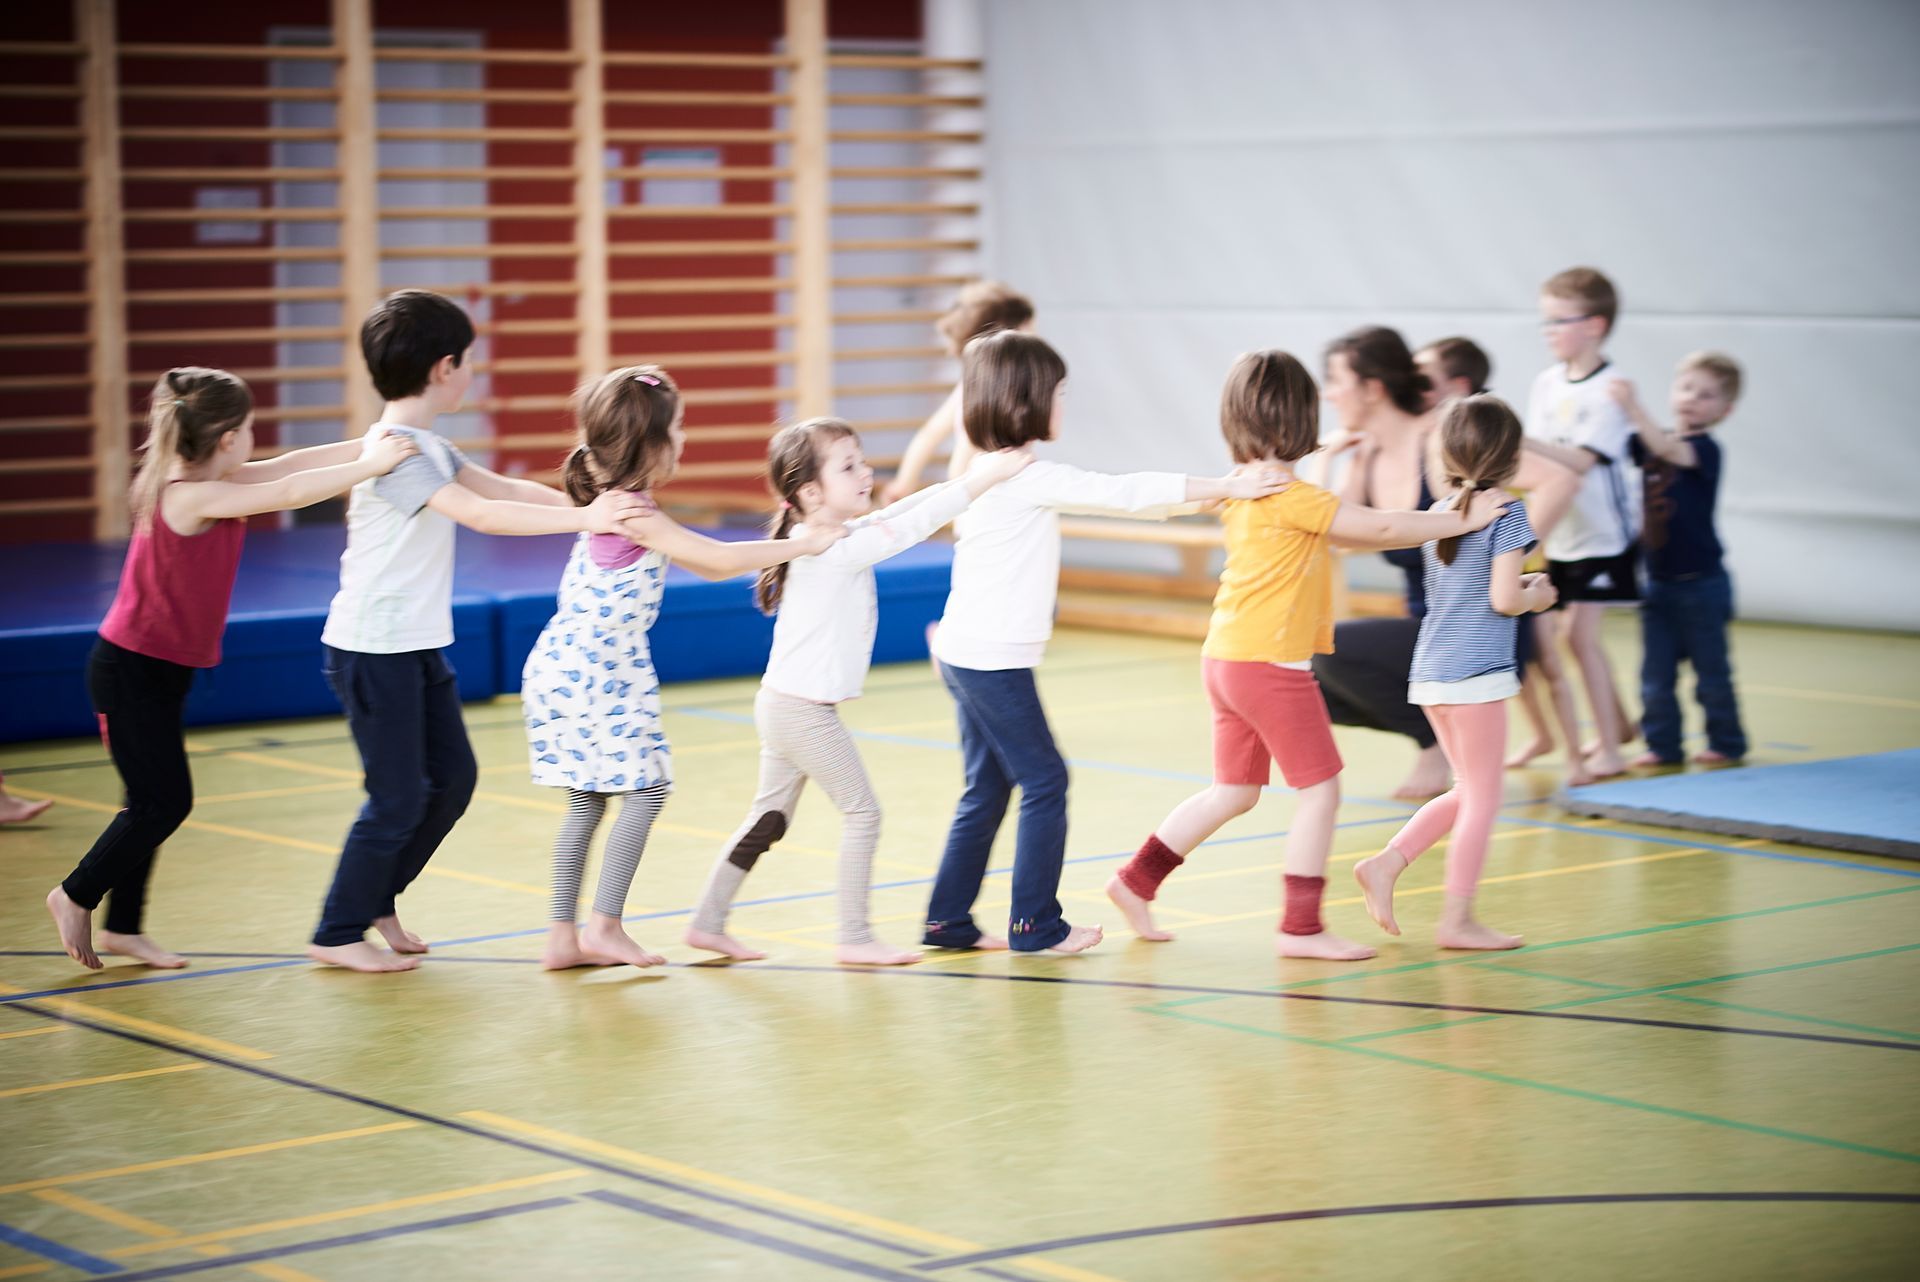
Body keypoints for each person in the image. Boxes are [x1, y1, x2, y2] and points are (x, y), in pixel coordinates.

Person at [1104, 349, 1505, 957]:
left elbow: (1347, 525)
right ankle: (1301, 927)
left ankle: (1135, 881)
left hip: (1227, 658)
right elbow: (1383, 529)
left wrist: (1339, 455)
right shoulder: (1296, 500)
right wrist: (1461, 520)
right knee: (1321, 793)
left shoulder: (1244, 491)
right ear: (1298, 422)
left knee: (1233, 791)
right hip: (1270, 666)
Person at [308, 291, 645, 974]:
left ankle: (378, 899)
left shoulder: (429, 445)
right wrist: (587, 522)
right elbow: (478, 515)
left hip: (415, 646)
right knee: (397, 796)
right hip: (372, 649)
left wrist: (603, 508)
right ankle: (337, 930)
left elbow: (506, 492)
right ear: (443, 368)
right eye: (469, 362)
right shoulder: (395, 454)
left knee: (453, 780)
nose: (472, 373)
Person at [922, 330, 1288, 956]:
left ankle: (947, 920)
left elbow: (1127, 497)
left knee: (989, 787)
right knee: (1046, 782)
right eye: (1059, 392)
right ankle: (1035, 926)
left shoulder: (991, 472)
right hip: (988, 660)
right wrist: (1226, 487)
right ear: (1026, 400)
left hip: (965, 653)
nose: (1065, 403)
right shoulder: (1024, 477)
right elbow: (1122, 494)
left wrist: (1210, 494)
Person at [46, 367, 417, 970]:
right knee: (163, 803)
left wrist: (372, 439)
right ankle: (75, 893)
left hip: (160, 668)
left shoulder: (212, 477)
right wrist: (370, 467)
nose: (255, 441)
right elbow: (289, 492)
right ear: (225, 439)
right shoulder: (189, 494)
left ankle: (124, 928)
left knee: (148, 799)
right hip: (130, 669)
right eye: (248, 430)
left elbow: (291, 465)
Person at [526, 368, 848, 970]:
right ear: (650, 444)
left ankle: (561, 936)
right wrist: (800, 544)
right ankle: (604, 926)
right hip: (600, 671)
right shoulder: (633, 512)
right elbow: (717, 560)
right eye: (676, 426)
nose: (683, 436)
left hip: (562, 665)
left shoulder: (604, 498)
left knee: (588, 800)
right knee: (646, 792)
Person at [686, 418, 1031, 966]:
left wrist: (973, 475)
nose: (866, 471)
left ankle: (706, 923)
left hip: (782, 705)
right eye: (848, 466)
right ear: (810, 492)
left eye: (862, 460)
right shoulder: (826, 549)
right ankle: (853, 936)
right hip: (801, 712)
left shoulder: (830, 535)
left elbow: (898, 511)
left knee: (768, 820)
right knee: (863, 813)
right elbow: (913, 525)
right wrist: (979, 484)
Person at [1353, 395, 1557, 951]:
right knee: (1484, 798)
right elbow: (1503, 597)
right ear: (1511, 457)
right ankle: (1457, 919)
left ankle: (1387, 863)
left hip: (1434, 672)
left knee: (1469, 789)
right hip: (1476, 674)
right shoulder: (1506, 513)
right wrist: (1538, 596)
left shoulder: (1443, 511)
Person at [1522, 266, 1641, 781]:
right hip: (1564, 536)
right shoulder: (1546, 383)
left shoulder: (1610, 392)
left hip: (1605, 537)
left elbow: (1580, 461)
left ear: (1594, 325)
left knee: (1579, 638)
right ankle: (1620, 724)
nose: (1549, 331)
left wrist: (1514, 439)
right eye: (1545, 321)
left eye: (1559, 321)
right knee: (1570, 635)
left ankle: (1611, 746)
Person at [1612, 352, 1749, 766]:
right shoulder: (1653, 442)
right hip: (1659, 582)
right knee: (1655, 676)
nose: (1692, 399)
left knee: (1711, 675)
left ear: (1724, 410)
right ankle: (1663, 745)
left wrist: (1632, 405)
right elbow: (1622, 444)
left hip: (1701, 583)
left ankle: (1726, 742)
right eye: (1686, 388)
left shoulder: (1705, 451)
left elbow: (1666, 447)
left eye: (1705, 395)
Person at [879, 280, 1035, 505]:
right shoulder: (991, 387)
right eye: (1030, 332)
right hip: (981, 493)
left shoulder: (971, 384)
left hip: (973, 490)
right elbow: (967, 442)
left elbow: (930, 433)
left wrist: (905, 482)